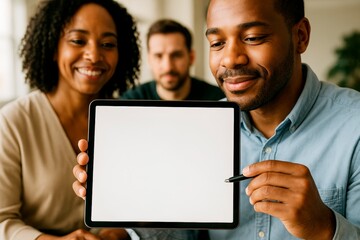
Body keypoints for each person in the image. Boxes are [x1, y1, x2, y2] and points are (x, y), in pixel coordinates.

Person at [73, 0, 360, 239]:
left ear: (301, 37)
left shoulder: (354, 125)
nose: (231, 59)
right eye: (217, 42)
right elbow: (187, 235)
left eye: (252, 38)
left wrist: (324, 227)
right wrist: (129, 204)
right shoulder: (200, 129)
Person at [0, 0, 141, 239]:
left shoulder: (129, 122)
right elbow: (2, 220)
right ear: (53, 47)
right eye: (78, 40)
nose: (94, 55)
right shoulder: (14, 122)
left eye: (108, 44)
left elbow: (142, 207)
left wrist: (116, 234)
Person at [121, 19, 225, 101]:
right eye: (158, 56)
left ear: (191, 57)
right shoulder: (131, 101)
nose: (168, 66)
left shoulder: (219, 100)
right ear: (149, 60)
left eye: (176, 55)